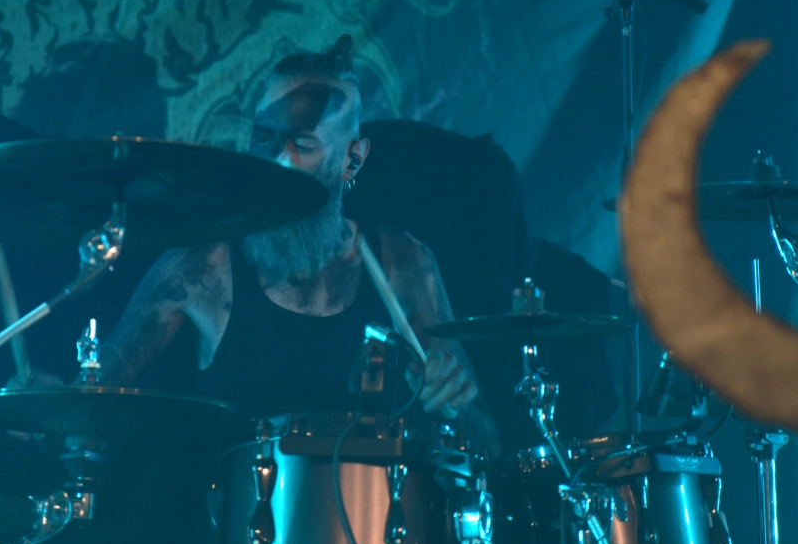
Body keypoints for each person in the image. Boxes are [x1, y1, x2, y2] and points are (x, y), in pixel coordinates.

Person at [96, 35, 498, 452]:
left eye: (303, 145)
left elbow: (488, 440)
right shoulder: (202, 265)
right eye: (264, 138)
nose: (278, 162)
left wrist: (456, 406)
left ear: (352, 160)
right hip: (239, 494)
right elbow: (86, 402)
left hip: (376, 495)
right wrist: (54, 403)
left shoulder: (405, 263)